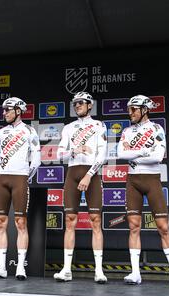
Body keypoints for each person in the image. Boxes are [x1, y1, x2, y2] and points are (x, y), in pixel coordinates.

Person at [117, 95, 169, 286]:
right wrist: (143, 152)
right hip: (133, 180)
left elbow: (158, 156)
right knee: (133, 226)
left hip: (152, 179)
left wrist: (134, 153)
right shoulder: (126, 131)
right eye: (129, 109)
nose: (130, 113)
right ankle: (135, 273)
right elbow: (120, 154)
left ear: (145, 109)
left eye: (134, 109)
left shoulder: (157, 128)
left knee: (163, 227)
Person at [53, 92, 108, 284]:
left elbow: (102, 155)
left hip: (91, 173)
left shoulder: (99, 125)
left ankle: (99, 271)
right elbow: (59, 155)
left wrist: (89, 175)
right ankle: (66, 269)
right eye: (75, 103)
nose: (77, 106)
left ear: (89, 105)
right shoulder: (68, 128)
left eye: (81, 103)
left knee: (95, 220)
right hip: (72, 172)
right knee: (70, 220)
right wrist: (75, 150)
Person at [0, 97, 41, 281]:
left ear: (18, 111)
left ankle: (20, 267)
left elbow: (37, 159)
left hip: (20, 178)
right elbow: (0, 154)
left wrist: (25, 175)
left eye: (8, 110)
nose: (4, 113)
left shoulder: (29, 131)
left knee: (20, 223)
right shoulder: (0, 133)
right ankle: (1, 267)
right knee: (1, 222)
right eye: (4, 110)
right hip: (2, 178)